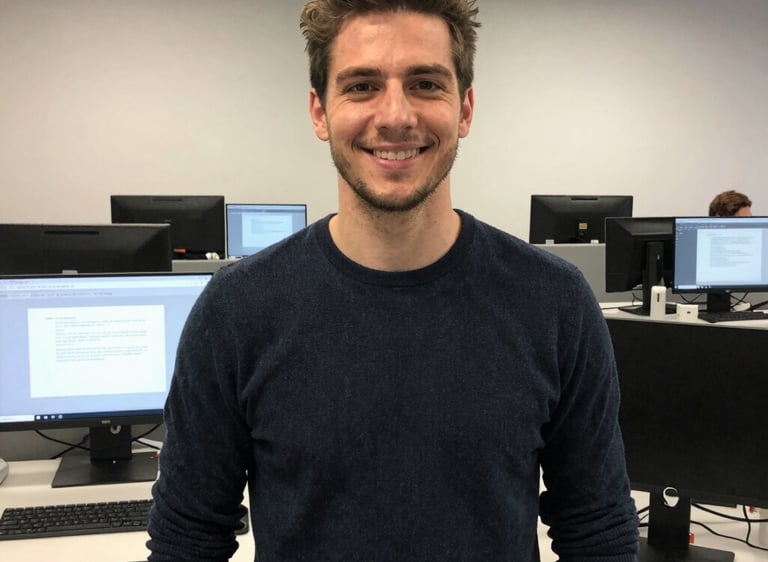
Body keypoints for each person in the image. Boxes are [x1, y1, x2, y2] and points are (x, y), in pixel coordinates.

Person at [147, 1, 639, 560]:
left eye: (426, 84)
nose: (396, 116)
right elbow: (187, 539)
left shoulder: (554, 301)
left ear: (465, 109)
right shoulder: (238, 308)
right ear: (319, 112)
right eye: (362, 86)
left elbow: (597, 529)